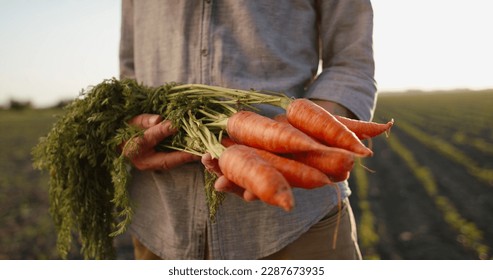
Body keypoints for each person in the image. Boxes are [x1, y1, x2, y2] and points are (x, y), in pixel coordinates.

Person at [119, 0, 376, 260]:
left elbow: (351, 62)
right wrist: (130, 131)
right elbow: (129, 75)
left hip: (300, 225)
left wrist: (309, 137)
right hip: (160, 220)